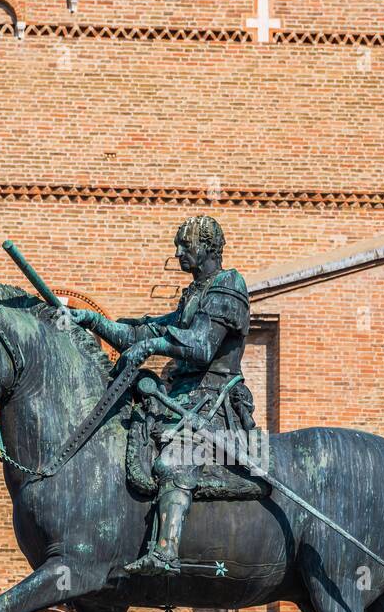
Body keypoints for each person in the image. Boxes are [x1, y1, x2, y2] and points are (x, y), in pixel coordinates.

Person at [62, 215, 254, 573]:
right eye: (178, 246)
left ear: (208, 248)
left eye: (186, 246)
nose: (179, 252)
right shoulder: (195, 293)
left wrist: (150, 345)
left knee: (171, 462)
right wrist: (97, 322)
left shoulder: (229, 286)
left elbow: (200, 346)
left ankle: (165, 552)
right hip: (181, 396)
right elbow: (147, 330)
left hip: (213, 399)